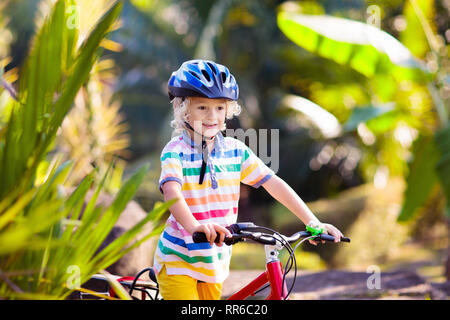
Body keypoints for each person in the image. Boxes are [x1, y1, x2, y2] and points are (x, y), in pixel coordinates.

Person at [153, 59, 344, 300]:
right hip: (178, 259)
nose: (212, 116)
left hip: (214, 264)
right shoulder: (175, 151)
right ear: (182, 109)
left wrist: (313, 222)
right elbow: (172, 193)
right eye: (202, 108)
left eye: (220, 108)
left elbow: (273, 184)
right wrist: (195, 227)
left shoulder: (235, 150)